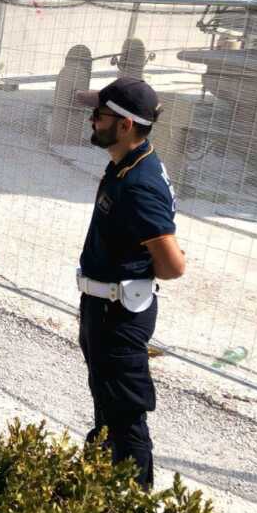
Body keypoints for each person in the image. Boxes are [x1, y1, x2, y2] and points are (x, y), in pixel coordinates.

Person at [74, 77, 185, 488]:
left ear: (124, 125)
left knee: (125, 418)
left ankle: (130, 510)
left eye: (100, 114)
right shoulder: (125, 163)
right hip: (102, 308)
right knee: (107, 404)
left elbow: (173, 267)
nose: (92, 119)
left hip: (120, 315)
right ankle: (96, 486)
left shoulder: (141, 182)